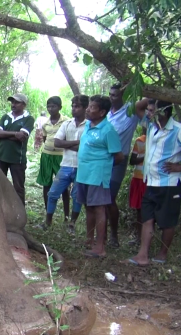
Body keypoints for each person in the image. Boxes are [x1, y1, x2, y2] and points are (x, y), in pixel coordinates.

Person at [127, 100, 181, 266]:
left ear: (164, 112)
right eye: (149, 110)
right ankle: (143, 255)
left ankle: (162, 254)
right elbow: (136, 107)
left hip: (169, 183)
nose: (148, 113)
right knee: (147, 218)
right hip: (151, 182)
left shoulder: (179, 129)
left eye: (152, 110)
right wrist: (154, 95)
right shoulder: (152, 126)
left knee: (167, 220)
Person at [77, 95, 124, 259]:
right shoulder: (89, 126)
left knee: (99, 208)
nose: (88, 109)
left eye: (92, 107)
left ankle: (100, 246)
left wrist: (102, 166)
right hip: (83, 173)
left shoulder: (108, 130)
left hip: (97, 175)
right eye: (88, 106)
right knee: (88, 207)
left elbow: (118, 156)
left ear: (103, 112)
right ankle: (89, 240)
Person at [105, 83, 149, 248]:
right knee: (100, 198)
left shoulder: (130, 110)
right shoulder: (107, 113)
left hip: (119, 160)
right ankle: (103, 236)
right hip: (103, 160)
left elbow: (150, 98)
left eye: (115, 95)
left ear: (123, 96)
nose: (111, 97)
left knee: (109, 197)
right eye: (110, 94)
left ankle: (114, 237)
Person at [42, 95, 89, 232]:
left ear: (85, 108)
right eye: (73, 106)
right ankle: (48, 221)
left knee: (77, 196)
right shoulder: (67, 124)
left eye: (78, 106)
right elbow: (57, 142)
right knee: (52, 193)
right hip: (66, 164)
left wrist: (67, 144)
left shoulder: (89, 126)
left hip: (81, 166)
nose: (74, 109)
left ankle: (72, 223)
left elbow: (86, 147)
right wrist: (76, 143)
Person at [0, 93, 35, 205]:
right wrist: (14, 134)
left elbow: (22, 136)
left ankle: (20, 213)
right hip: (1, 156)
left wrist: (5, 135)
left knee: (18, 188)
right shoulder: (5, 117)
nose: (13, 104)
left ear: (24, 104)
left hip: (17, 158)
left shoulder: (29, 119)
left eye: (17, 102)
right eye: (12, 102)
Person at [36, 96, 70, 218]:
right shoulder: (45, 123)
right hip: (47, 155)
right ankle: (48, 213)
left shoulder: (66, 121)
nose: (51, 109)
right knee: (47, 184)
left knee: (64, 186)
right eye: (49, 106)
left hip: (61, 157)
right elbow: (45, 139)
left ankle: (67, 215)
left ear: (60, 107)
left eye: (54, 106)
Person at [127, 108, 150, 245]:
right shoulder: (140, 140)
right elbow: (132, 160)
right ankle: (138, 238)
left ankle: (146, 238)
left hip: (151, 179)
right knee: (139, 210)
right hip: (139, 178)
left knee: (149, 210)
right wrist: (144, 156)